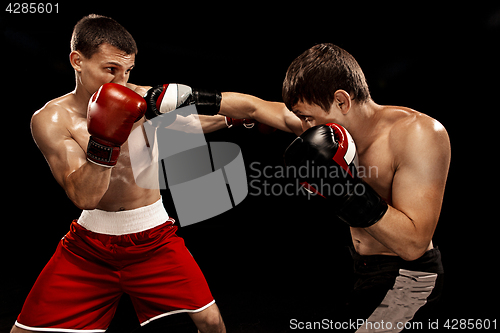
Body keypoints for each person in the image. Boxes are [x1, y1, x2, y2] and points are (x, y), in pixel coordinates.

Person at [13, 14, 228, 333]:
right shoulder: (52, 119)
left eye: (127, 71)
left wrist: (240, 118)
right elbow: (83, 196)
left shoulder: (144, 99)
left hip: (153, 237)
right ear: (77, 61)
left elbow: (189, 123)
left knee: (210, 322)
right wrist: (105, 138)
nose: (121, 83)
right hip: (88, 247)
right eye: (110, 70)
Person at [218, 43, 450, 330]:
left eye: (306, 117)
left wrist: (340, 187)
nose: (303, 129)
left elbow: (413, 244)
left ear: (341, 101)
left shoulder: (417, 134)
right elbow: (252, 106)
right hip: (363, 270)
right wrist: (181, 98)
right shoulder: (321, 126)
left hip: (410, 276)